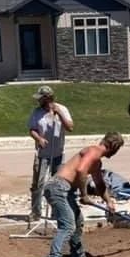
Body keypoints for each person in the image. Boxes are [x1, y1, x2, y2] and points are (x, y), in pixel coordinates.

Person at [42, 132, 125, 257]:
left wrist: (109, 201)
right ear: (114, 146)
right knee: (67, 226)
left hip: (65, 190)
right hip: (59, 188)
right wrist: (84, 195)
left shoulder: (97, 161)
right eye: (118, 149)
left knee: (78, 222)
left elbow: (100, 184)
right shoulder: (94, 151)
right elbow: (81, 170)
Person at [27, 85, 74, 222]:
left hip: (58, 153)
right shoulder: (37, 112)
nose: (38, 101)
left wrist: (59, 113)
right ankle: (35, 212)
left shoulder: (62, 109)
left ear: (48, 98)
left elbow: (70, 127)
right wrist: (39, 138)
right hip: (42, 154)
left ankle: (56, 212)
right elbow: (32, 129)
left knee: (56, 184)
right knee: (38, 184)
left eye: (41, 99)